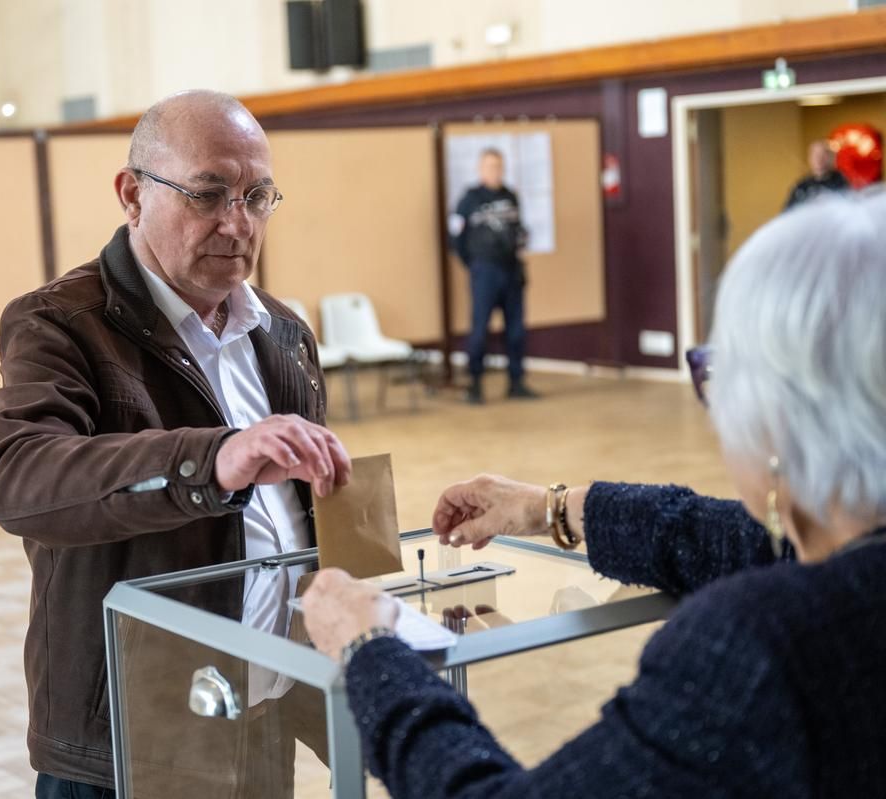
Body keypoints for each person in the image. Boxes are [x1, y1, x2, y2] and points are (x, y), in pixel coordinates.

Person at [303, 192, 886, 797]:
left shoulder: (759, 646)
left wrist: (372, 653)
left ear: (777, 421)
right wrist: (549, 509)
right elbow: (744, 543)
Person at [0, 90, 351, 799]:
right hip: (130, 726)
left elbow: (301, 521)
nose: (237, 223)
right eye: (208, 195)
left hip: (261, 705)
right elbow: (18, 478)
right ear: (132, 194)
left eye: (257, 196)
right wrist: (211, 459)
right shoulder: (61, 323)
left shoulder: (284, 333)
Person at [450, 148, 537, 403]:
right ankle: (475, 384)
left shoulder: (511, 196)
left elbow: (519, 229)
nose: (494, 171)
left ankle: (516, 382)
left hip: (511, 270)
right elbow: (455, 237)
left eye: (498, 166)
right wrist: (474, 264)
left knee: (516, 329)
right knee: (479, 329)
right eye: (489, 166)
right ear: (480, 169)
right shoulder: (469, 199)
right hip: (485, 271)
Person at [784, 139, 848, 210]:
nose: (819, 159)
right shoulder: (802, 186)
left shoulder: (844, 181)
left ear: (832, 157)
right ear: (809, 158)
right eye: (815, 154)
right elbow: (788, 211)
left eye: (823, 154)